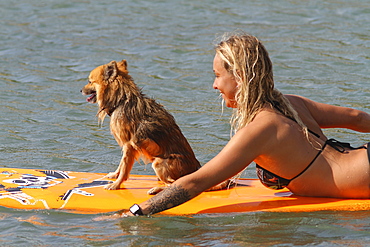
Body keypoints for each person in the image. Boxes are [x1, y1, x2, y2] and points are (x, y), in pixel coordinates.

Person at [121, 32, 370, 217]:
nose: (214, 85)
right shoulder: (291, 104)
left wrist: (134, 213)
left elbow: (195, 183)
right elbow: (356, 117)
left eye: (218, 75)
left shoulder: (260, 128)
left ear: (239, 76)